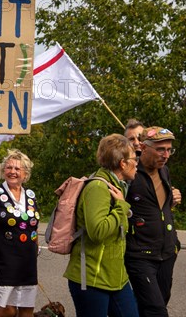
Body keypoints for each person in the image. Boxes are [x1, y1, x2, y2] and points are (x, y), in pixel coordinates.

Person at [64, 134, 139, 317]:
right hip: (91, 279)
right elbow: (98, 232)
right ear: (122, 163)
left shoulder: (118, 186)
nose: (137, 163)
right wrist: (121, 206)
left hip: (116, 278)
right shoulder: (98, 187)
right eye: (134, 159)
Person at [125, 126, 181, 317]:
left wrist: (175, 242)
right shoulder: (129, 173)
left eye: (169, 150)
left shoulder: (165, 171)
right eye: (160, 149)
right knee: (156, 310)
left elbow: (161, 209)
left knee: (157, 303)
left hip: (166, 253)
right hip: (140, 255)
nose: (165, 155)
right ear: (143, 147)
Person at [0, 149, 40, 317]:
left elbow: (33, 227)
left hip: (27, 263)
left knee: (27, 311)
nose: (12, 172)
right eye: (9, 168)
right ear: (3, 170)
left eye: (17, 169)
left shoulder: (30, 196)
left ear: (25, 173)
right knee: (7, 310)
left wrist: (35, 249)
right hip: (3, 261)